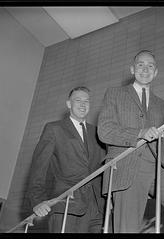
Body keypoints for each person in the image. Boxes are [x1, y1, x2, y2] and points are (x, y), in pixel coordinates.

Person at [97, 50, 164, 233]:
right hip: (126, 166)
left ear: (156, 72)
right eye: (140, 65)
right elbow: (105, 131)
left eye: (150, 66)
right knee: (127, 229)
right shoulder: (115, 93)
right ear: (132, 69)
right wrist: (140, 133)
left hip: (159, 169)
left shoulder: (162, 105)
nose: (145, 69)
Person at [27, 86, 105, 233]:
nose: (83, 104)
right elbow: (39, 167)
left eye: (86, 101)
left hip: (97, 208)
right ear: (68, 104)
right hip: (67, 204)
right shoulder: (54, 129)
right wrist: (37, 201)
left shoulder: (97, 132)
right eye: (78, 100)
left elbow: (102, 167)